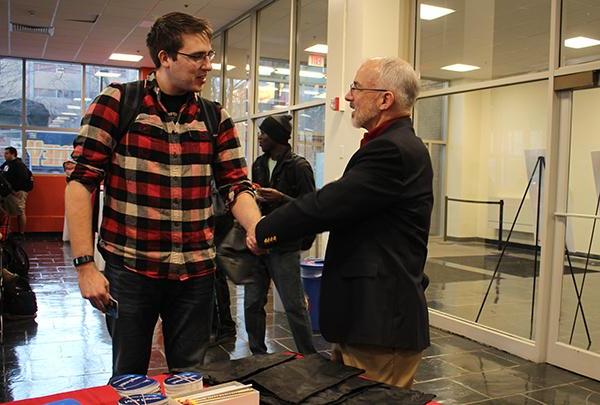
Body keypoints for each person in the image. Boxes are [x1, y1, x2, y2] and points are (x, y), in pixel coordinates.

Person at [64, 12, 262, 376]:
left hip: (195, 274)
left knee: (190, 376)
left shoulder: (215, 117)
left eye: (210, 56)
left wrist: (257, 228)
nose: (208, 66)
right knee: (129, 375)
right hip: (132, 270)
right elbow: (81, 182)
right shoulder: (119, 103)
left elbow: (235, 186)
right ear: (165, 57)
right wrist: (84, 266)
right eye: (197, 56)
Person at [255, 57, 433, 388]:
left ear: (385, 99)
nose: (349, 97)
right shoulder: (388, 145)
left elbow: (328, 204)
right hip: (365, 321)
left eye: (356, 88)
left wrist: (264, 230)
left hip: (380, 324)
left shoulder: (393, 150)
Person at [244, 114, 317, 355]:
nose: (259, 138)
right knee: (252, 303)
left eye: (263, 133)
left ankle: (309, 356)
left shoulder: (299, 166)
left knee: (294, 306)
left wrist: (282, 198)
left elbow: (311, 208)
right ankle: (257, 354)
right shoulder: (258, 164)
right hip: (259, 244)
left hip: (285, 246)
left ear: (276, 137)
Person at [0, 146, 30, 236]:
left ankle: (21, 233)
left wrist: (14, 190)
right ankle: (6, 231)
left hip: (18, 192)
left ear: (13, 154)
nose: (4, 155)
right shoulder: (6, 164)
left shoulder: (19, 164)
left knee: (20, 212)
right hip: (7, 192)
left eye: (6, 153)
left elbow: (23, 179)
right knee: (6, 211)